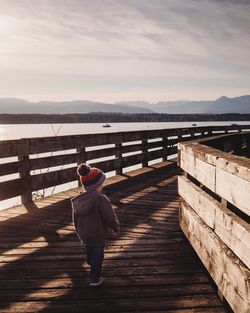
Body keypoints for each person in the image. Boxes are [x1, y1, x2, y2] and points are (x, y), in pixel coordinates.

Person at [71, 163, 120, 287]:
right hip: (98, 234)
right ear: (97, 185)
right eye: (102, 183)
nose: (103, 185)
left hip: (85, 234)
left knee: (90, 250)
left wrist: (79, 232)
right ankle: (94, 278)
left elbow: (75, 218)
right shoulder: (101, 199)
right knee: (98, 255)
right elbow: (109, 216)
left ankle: (91, 261)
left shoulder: (78, 200)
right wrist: (115, 227)